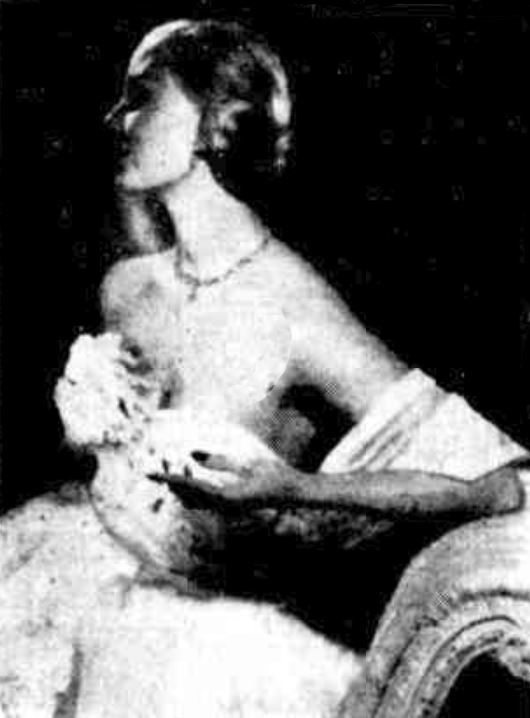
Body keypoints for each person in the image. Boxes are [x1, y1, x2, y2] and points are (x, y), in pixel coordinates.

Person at [0, 19, 527, 718]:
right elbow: (118, 462)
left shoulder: (298, 313)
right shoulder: (126, 287)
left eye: (142, 97)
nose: (116, 118)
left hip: (206, 651)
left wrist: (296, 489)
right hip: (77, 570)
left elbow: (496, 487)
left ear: (215, 122)